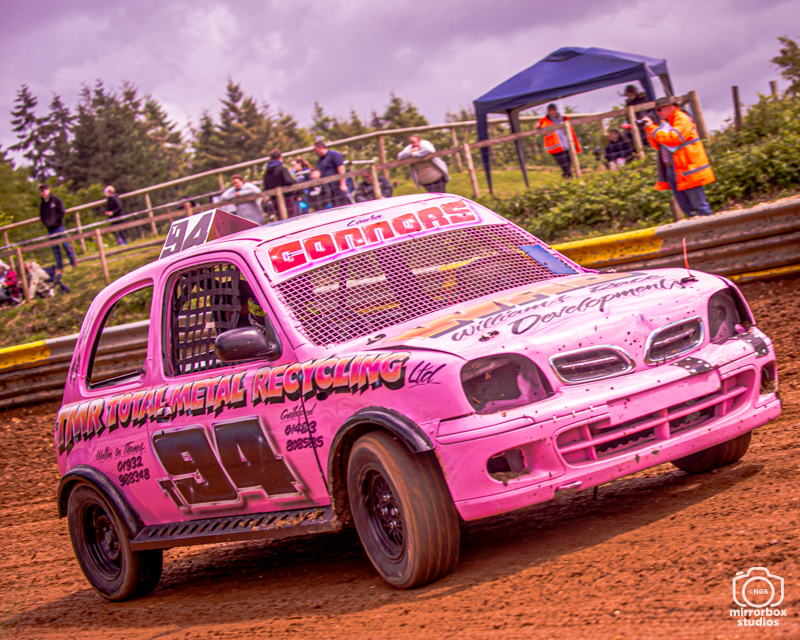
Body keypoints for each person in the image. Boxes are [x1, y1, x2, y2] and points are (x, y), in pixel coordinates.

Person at [642, 96, 715, 218]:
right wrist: (649, 129)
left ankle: (712, 225)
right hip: (673, 167)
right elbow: (657, 145)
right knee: (687, 207)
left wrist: (653, 129)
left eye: (660, 109)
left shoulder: (682, 119)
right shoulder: (666, 123)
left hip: (688, 168)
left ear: (670, 107)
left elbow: (674, 139)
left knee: (699, 205)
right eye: (656, 110)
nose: (658, 113)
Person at [535, 104, 581, 179]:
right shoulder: (545, 120)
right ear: (548, 111)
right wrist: (540, 127)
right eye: (550, 110)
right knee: (564, 165)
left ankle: (567, 177)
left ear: (556, 110)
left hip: (567, 144)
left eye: (553, 110)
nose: (552, 112)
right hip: (555, 146)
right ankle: (569, 178)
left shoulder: (563, 118)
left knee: (569, 162)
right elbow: (538, 126)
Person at [39, 184, 77, 273]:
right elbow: (42, 216)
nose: (43, 193)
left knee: (66, 246)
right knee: (56, 250)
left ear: (48, 190)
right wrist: (47, 224)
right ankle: (60, 268)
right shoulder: (42, 205)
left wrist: (56, 222)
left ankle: (74, 263)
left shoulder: (55, 200)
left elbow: (61, 212)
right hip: (50, 230)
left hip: (59, 227)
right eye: (41, 191)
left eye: (44, 190)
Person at [313, 140, 350, 207]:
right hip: (329, 190)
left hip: (338, 187)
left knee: (345, 206)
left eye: (315, 149)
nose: (314, 152)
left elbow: (341, 168)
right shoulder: (320, 160)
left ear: (321, 147)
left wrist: (342, 184)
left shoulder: (333, 154)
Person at [262, 150, 297, 218]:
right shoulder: (282, 169)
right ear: (280, 158)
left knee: (280, 218)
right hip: (287, 197)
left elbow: (266, 187)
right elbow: (289, 181)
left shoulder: (267, 173)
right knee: (291, 217)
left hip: (275, 199)